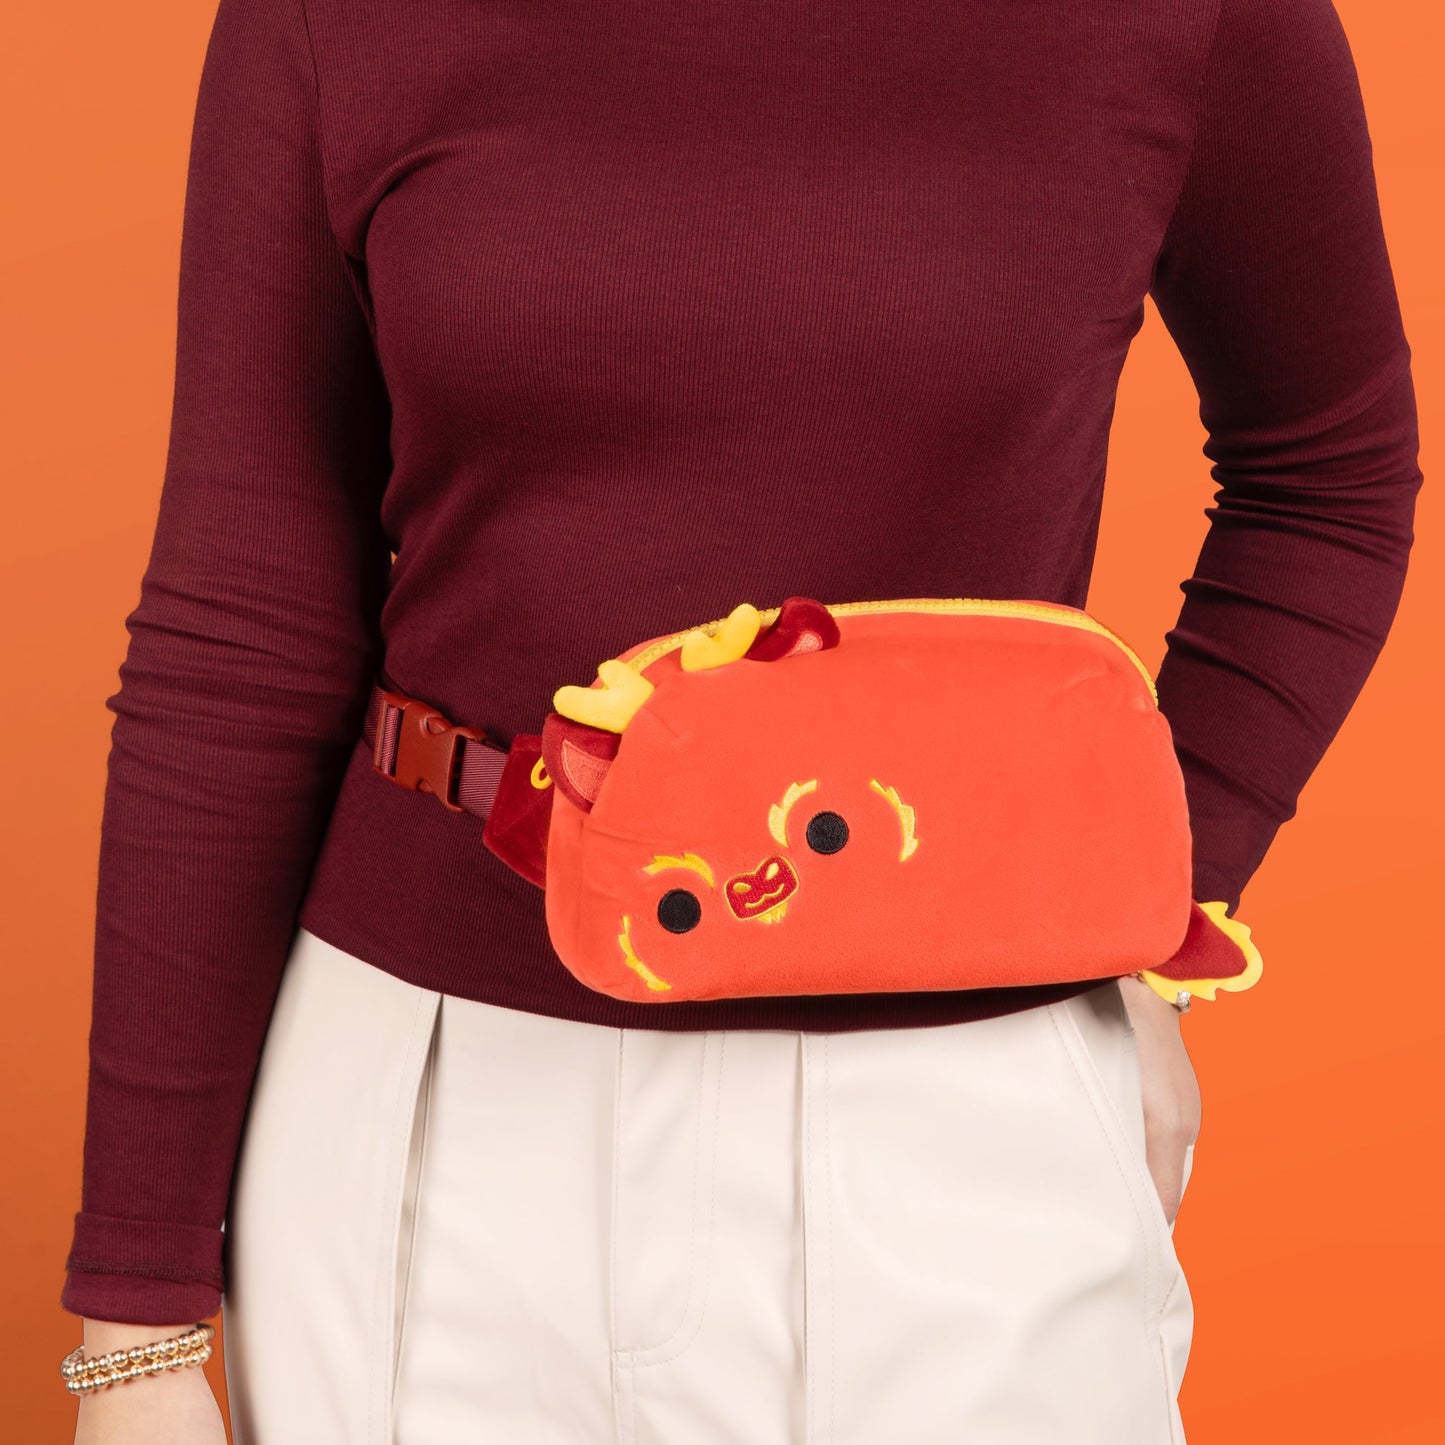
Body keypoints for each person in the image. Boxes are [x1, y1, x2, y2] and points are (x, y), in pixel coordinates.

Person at [61, 0, 1422, 1442]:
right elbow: (244, 620)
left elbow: (1327, 469)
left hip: (964, 1115)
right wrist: (136, 1324)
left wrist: (1150, 903)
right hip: (435, 1113)